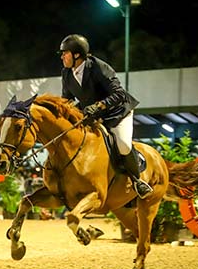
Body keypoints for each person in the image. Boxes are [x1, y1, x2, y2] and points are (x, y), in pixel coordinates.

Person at [58, 34, 152, 199]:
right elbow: (67, 100)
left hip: (118, 112)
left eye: (65, 53)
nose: (62, 57)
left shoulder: (98, 67)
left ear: (77, 54)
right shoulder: (66, 73)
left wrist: (99, 105)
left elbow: (119, 94)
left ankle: (138, 181)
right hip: (94, 114)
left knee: (122, 144)